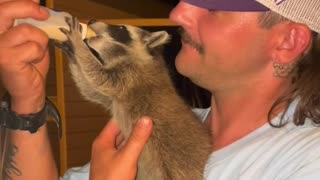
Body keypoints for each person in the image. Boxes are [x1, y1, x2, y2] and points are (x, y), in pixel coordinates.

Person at [1, 0, 320, 179]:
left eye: (214, 7)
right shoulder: (159, 127)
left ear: (288, 42)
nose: (179, 13)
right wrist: (28, 103)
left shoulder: (307, 160)